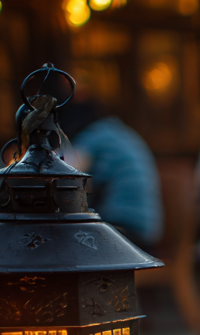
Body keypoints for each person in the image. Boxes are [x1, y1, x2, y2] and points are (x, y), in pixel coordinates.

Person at [62, 99, 164, 249]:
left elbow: (63, 171)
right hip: (145, 232)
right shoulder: (120, 133)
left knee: (63, 243)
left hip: (124, 229)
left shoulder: (96, 136)